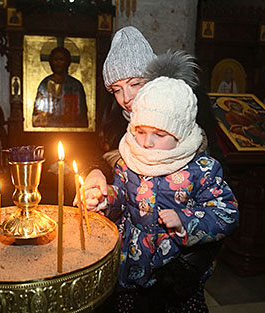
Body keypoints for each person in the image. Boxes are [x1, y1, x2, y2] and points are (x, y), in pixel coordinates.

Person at [81, 26, 234, 312]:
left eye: (134, 84)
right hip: (133, 255)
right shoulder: (117, 117)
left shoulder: (189, 114)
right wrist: (99, 181)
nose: (125, 98)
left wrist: (193, 255)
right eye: (116, 89)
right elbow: (120, 185)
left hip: (181, 254)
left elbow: (216, 197)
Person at [32, 46, 88, 128]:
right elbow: (38, 114)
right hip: (48, 131)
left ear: (67, 62)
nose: (58, 63)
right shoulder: (44, 84)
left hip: (71, 131)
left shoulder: (76, 85)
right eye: (55, 59)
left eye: (61, 59)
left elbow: (81, 114)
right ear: (51, 62)